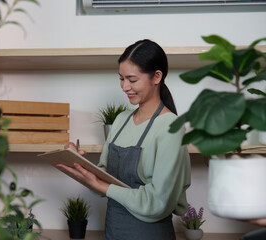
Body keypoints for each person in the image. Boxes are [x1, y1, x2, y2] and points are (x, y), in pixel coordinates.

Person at [57, 39, 191, 240]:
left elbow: (157, 202)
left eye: (132, 79)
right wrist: (81, 166)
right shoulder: (120, 120)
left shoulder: (171, 127)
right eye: (121, 79)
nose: (124, 86)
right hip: (112, 232)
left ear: (157, 76)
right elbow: (104, 179)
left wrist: (103, 186)